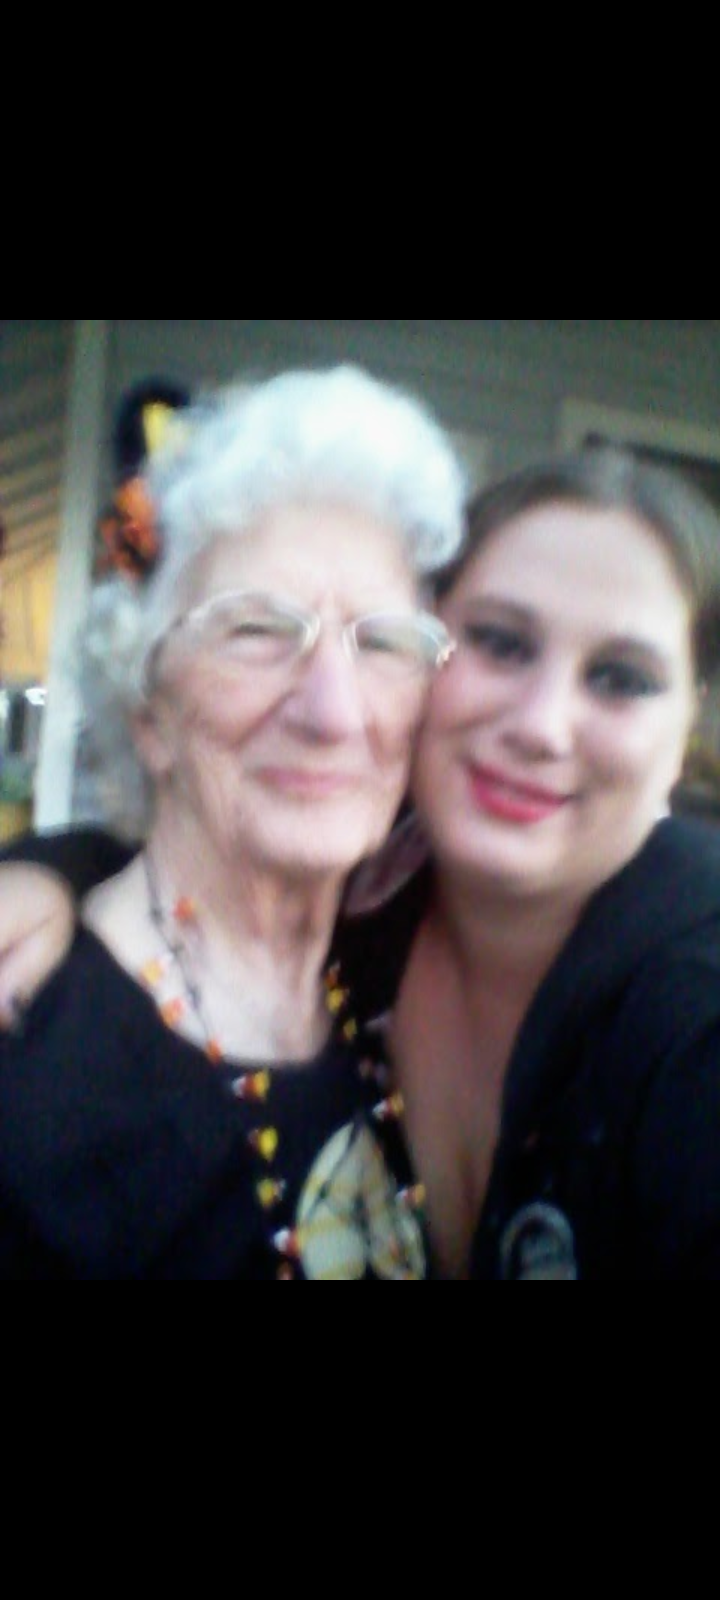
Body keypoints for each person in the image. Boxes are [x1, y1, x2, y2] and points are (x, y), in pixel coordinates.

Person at [7, 447, 720, 1280]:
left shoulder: (692, 1020)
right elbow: (220, 830)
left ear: (685, 731)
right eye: (499, 642)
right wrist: (53, 869)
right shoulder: (375, 892)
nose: (542, 726)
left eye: (622, 678)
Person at [0, 364, 466, 1280]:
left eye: (382, 640)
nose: (336, 712)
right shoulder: (32, 1060)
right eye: (256, 628)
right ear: (148, 709)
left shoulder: (392, 974)